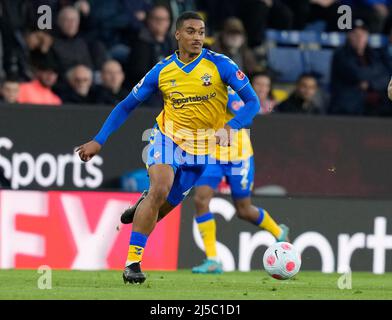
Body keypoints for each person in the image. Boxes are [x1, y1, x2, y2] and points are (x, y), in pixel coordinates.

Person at [76, 12, 260, 284]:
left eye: (201, 31)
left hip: (201, 151)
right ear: (177, 35)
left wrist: (231, 127)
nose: (197, 37)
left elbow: (253, 103)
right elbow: (126, 105)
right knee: (160, 187)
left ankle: (144, 201)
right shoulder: (162, 70)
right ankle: (132, 264)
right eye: (190, 31)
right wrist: (98, 140)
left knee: (160, 209)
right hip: (167, 139)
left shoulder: (221, 65)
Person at [191, 87, 289, 274]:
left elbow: (246, 115)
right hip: (212, 155)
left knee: (243, 210)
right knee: (200, 200)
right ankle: (213, 260)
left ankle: (278, 232)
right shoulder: (192, 86)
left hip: (238, 156)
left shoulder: (226, 89)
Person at [330, 19, 390, 115]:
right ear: (349, 36)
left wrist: (370, 84)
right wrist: (376, 75)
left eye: (363, 34)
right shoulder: (341, 54)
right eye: (356, 34)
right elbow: (358, 74)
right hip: (349, 107)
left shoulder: (374, 54)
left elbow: (387, 76)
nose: (360, 37)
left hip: (377, 105)